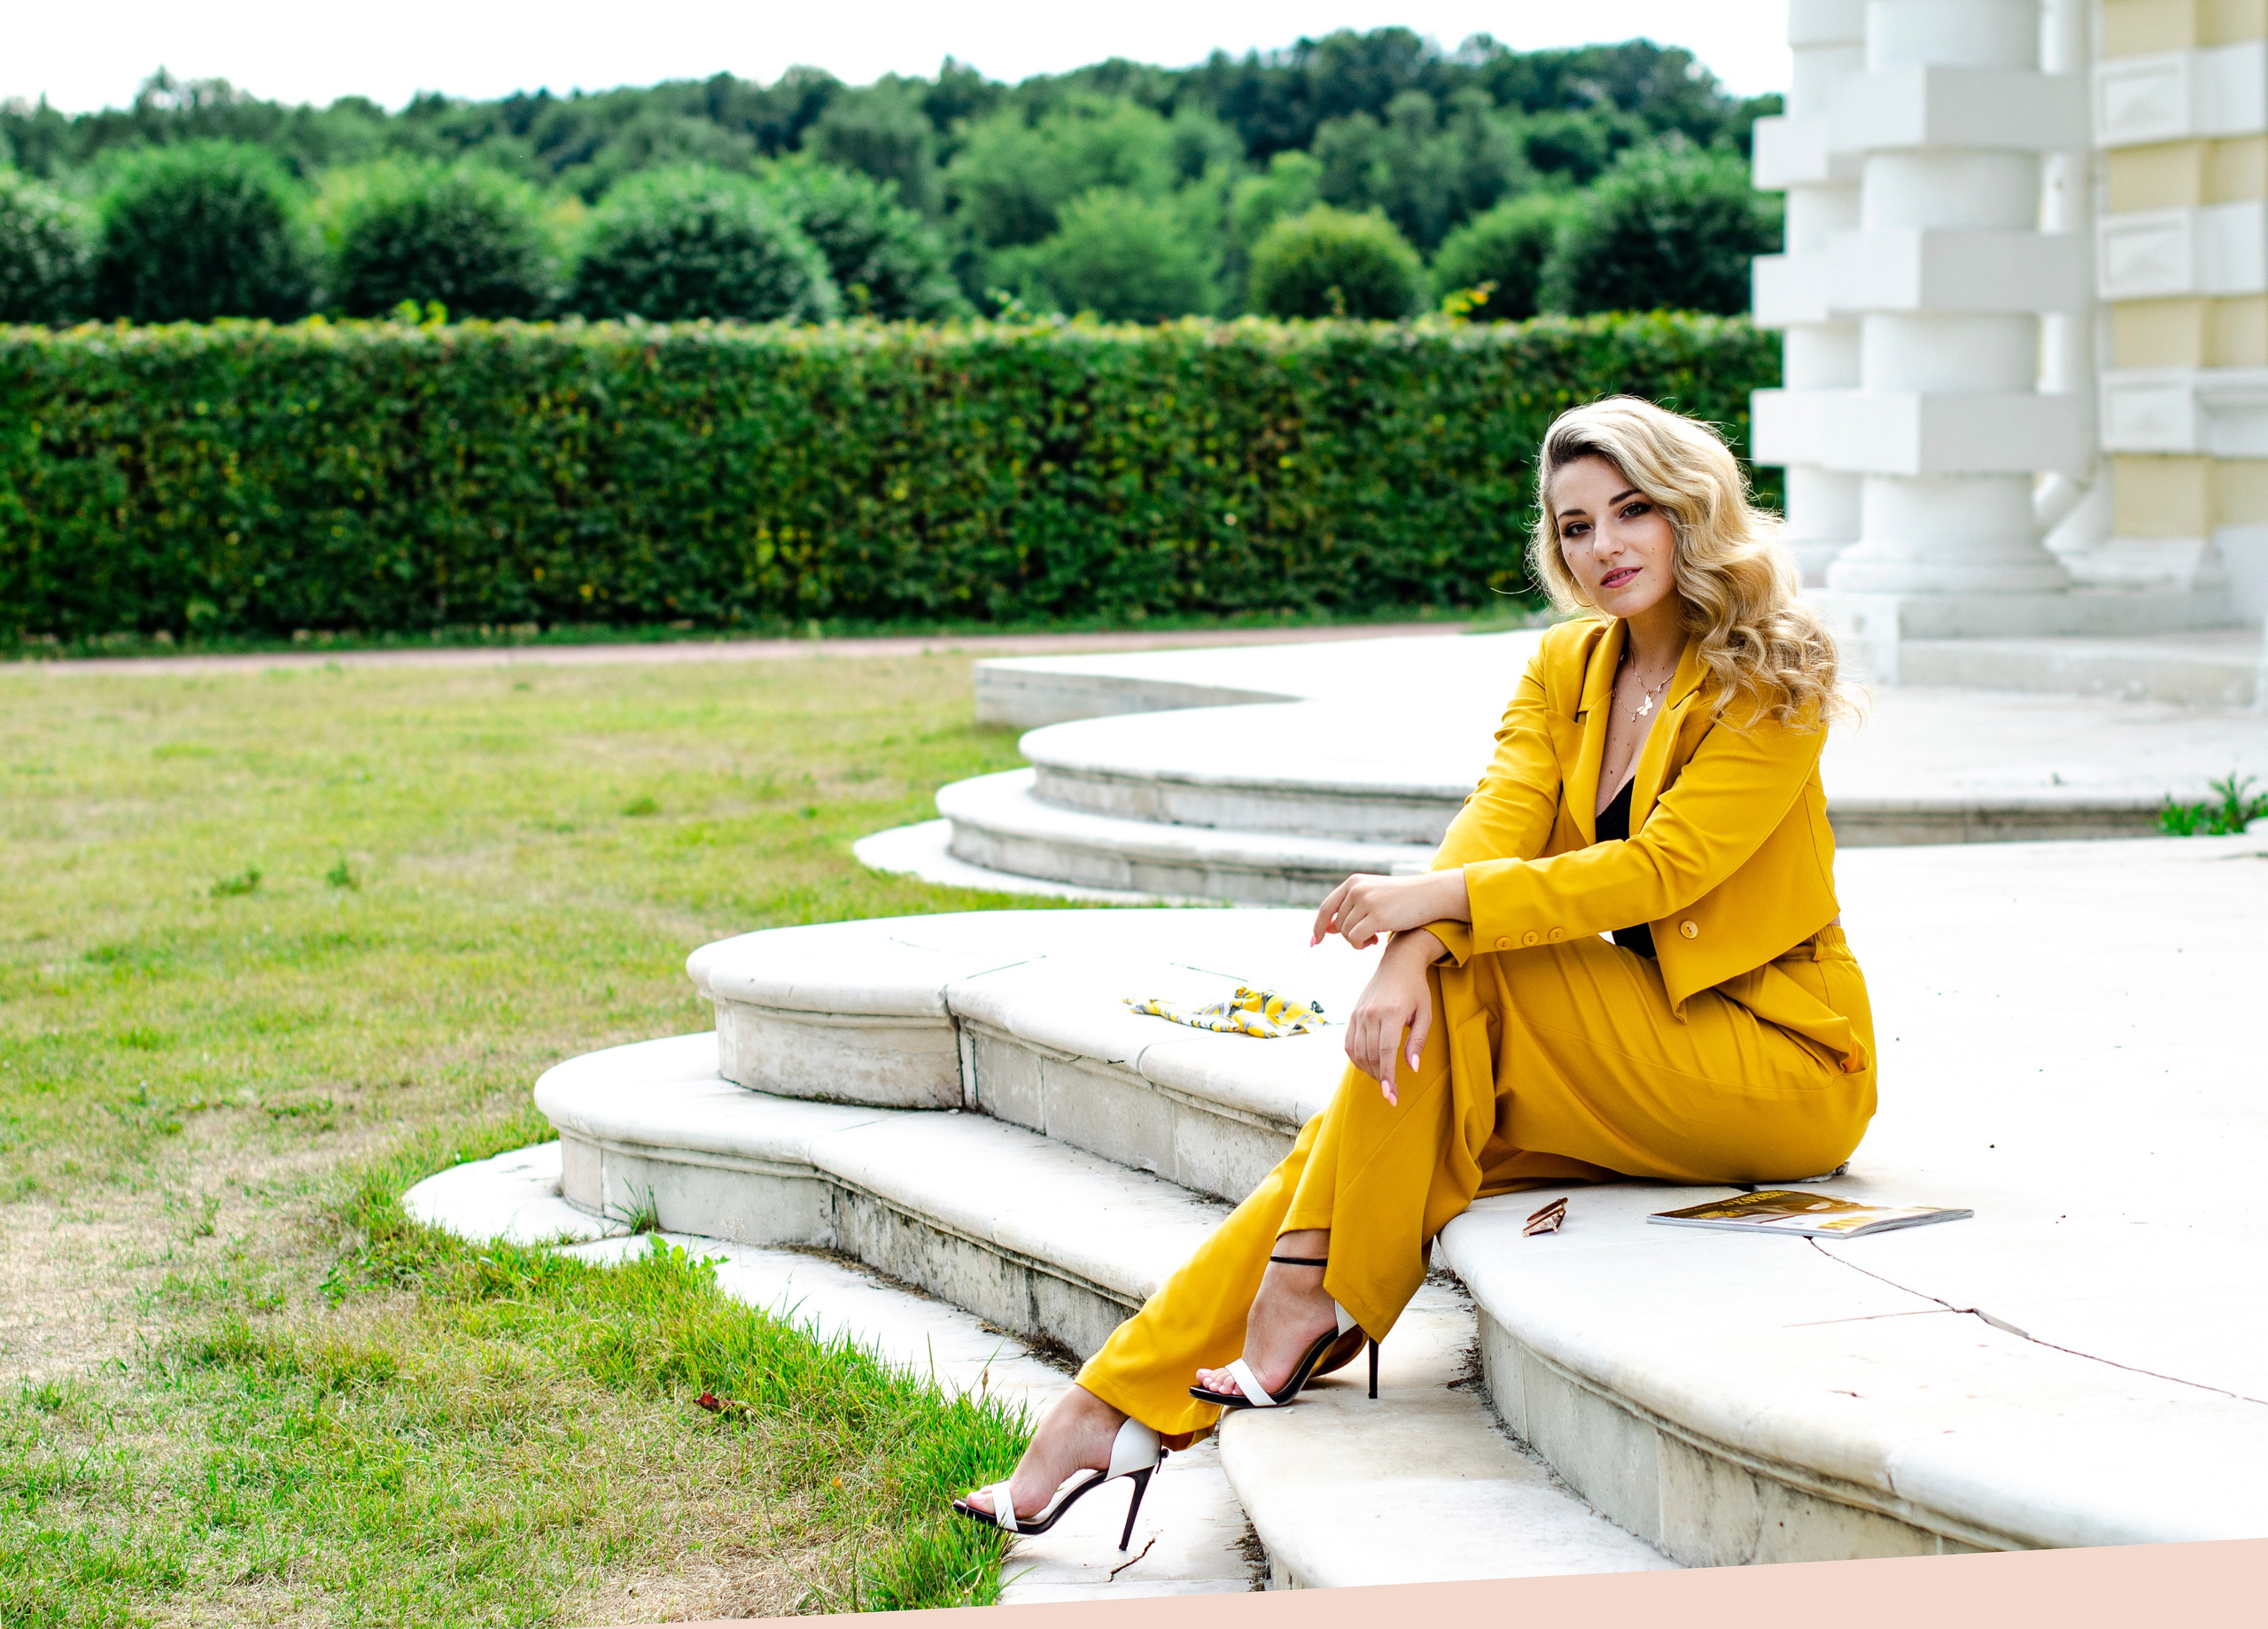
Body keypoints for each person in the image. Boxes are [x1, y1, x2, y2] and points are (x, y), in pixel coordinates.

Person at [951, 396, 1876, 1544]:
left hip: (1776, 1060)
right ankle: (1111, 1404)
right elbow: (1497, 821)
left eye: (1634, 511)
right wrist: (1404, 957)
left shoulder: (1770, 669)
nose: (1605, 548)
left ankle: (1282, 1313)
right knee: (1358, 1131)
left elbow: (1662, 873)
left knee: (1449, 1016)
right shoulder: (1566, 666)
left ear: (1695, 512)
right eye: (1576, 525)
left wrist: (1427, 917)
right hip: (1625, 1052)